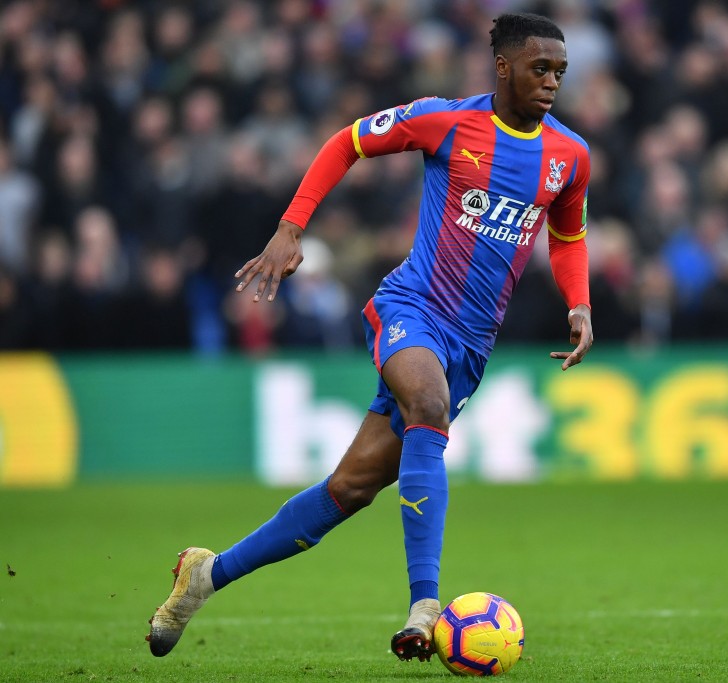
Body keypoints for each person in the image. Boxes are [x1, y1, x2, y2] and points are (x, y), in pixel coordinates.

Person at [146, 12, 593, 663]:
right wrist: (292, 227)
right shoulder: (445, 121)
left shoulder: (570, 156)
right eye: (539, 68)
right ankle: (425, 605)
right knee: (429, 406)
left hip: (471, 345)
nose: (552, 81)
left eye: (560, 71)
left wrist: (579, 304)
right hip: (411, 307)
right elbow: (346, 142)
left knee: (350, 488)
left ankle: (205, 576)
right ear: (503, 67)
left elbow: (569, 235)